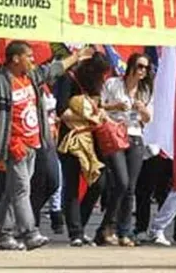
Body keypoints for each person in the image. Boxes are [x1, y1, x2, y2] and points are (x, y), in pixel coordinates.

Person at [0, 42, 93, 250]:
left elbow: (52, 69)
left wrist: (76, 57)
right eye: (28, 56)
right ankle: (30, 233)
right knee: (22, 190)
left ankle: (2, 234)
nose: (33, 60)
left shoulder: (31, 77)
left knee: (13, 190)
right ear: (16, 58)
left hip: (34, 143)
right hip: (15, 145)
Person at [55, 51, 111, 246]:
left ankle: (81, 222)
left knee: (99, 182)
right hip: (70, 139)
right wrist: (86, 118)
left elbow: (98, 107)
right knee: (71, 184)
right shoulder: (68, 79)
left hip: (92, 139)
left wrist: (101, 113)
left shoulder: (95, 86)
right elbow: (62, 111)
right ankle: (75, 232)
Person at [97, 53, 153, 246]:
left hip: (135, 136)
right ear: (130, 66)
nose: (143, 71)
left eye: (146, 68)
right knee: (121, 181)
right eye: (140, 66)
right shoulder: (113, 83)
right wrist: (115, 106)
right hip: (115, 134)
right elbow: (99, 106)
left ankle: (124, 231)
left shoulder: (144, 90)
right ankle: (107, 226)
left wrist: (143, 110)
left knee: (130, 188)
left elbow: (147, 119)